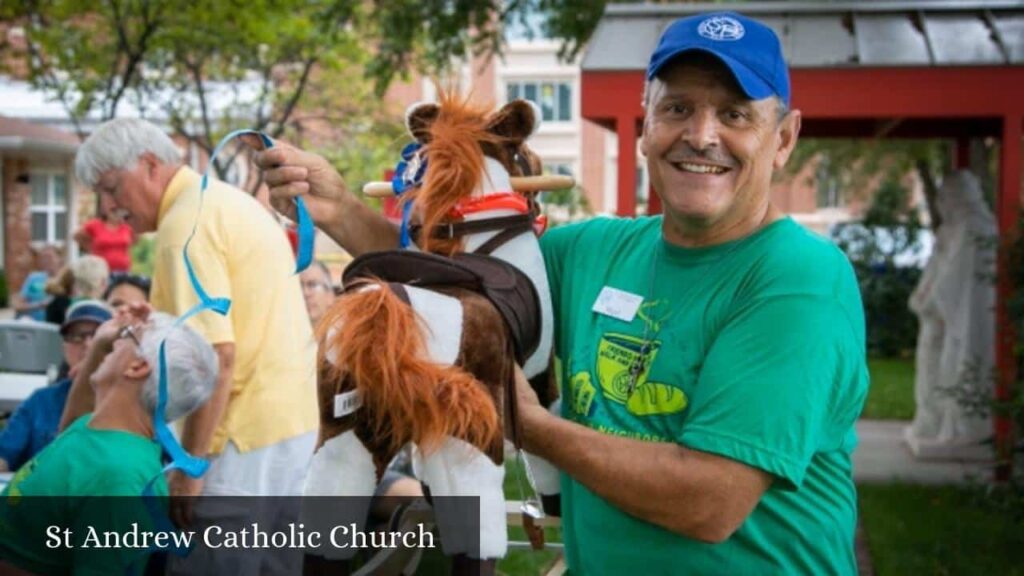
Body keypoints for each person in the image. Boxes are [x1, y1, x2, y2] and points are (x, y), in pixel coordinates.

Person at [253, 11, 869, 575]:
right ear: (647, 123)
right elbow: (455, 286)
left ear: (783, 138)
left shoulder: (797, 282)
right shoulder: (596, 251)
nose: (701, 135)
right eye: (678, 109)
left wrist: (524, 421)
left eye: (735, 114)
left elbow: (709, 502)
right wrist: (335, 209)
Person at [70, 120, 318, 509]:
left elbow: (216, 357)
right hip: (287, 429)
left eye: (111, 188)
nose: (108, 208)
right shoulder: (223, 201)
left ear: (150, 164)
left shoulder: (184, 226)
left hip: (237, 443)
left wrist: (189, 470)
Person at [0, 307, 217, 576]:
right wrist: (101, 345)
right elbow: (71, 437)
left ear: (137, 367)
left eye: (125, 335)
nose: (114, 340)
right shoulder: (99, 431)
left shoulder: (120, 480)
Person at [0, 300, 113, 472]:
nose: (88, 344)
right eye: (76, 336)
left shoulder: (129, 404)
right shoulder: (41, 401)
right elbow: (4, 455)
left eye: (98, 337)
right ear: (64, 347)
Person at [73, 207, 134, 273]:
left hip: (123, 268)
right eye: (116, 214)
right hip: (100, 268)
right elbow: (77, 236)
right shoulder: (95, 225)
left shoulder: (126, 228)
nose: (120, 217)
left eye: (122, 215)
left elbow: (130, 243)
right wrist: (89, 247)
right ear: (108, 213)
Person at [11, 245, 61, 322]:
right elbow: (18, 306)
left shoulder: (65, 280)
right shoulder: (34, 278)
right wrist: (39, 305)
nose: (46, 261)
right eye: (43, 258)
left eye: (49, 257)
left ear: (59, 259)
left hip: (55, 325)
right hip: (33, 325)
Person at [299, 260, 336, 329]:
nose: (305, 293)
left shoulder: (345, 335)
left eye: (312, 285)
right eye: (300, 286)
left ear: (330, 296)